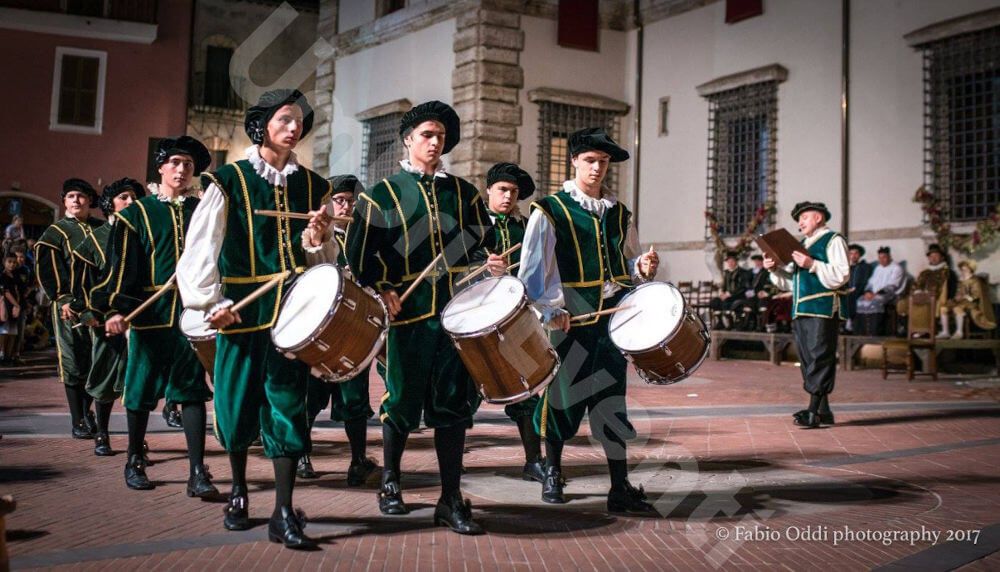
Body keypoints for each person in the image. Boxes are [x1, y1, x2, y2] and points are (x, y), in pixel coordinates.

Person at [177, 89, 337, 550]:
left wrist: (317, 239)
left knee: (287, 408)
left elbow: (323, 260)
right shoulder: (229, 180)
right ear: (262, 125)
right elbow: (200, 250)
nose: (294, 127)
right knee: (236, 408)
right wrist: (211, 305)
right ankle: (239, 491)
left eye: (299, 121)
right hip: (241, 316)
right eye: (284, 119)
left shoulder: (314, 186)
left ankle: (283, 511)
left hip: (292, 317)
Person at [347, 100, 505, 535]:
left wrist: (487, 263)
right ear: (408, 140)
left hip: (456, 315)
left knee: (453, 404)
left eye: (441, 136)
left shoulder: (465, 194)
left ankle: (450, 498)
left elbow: (480, 245)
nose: (435, 143)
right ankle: (390, 481)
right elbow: (360, 255)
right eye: (427, 135)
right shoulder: (381, 195)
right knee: (402, 400)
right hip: (409, 315)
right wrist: (384, 286)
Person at [518, 127, 659, 513]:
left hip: (611, 323)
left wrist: (641, 267)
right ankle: (552, 471)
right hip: (568, 322)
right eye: (591, 160)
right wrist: (549, 311)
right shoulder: (551, 210)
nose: (597, 168)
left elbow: (625, 264)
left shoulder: (619, 213)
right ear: (575, 161)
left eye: (604, 161)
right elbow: (531, 273)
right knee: (562, 400)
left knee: (611, 401)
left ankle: (619, 486)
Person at [101, 138, 216, 497]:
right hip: (150, 316)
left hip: (192, 316)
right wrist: (115, 309)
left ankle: (197, 472)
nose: (181, 170)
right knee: (139, 391)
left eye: (188, 165)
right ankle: (134, 459)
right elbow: (122, 268)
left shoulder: (203, 210)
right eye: (175, 163)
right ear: (161, 167)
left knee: (192, 391)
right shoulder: (136, 214)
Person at [299, 174, 378, 485]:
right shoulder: (317, 234)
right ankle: (302, 454)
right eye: (340, 200)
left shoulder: (364, 236)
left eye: (352, 201)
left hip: (354, 327)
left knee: (354, 398)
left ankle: (358, 460)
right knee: (311, 395)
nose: (346, 206)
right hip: (321, 325)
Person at [476, 161, 545, 482]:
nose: (508, 196)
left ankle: (533, 460)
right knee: (463, 392)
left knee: (526, 388)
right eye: (502, 189)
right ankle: (453, 464)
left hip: (515, 319)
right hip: (477, 317)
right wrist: (482, 267)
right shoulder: (472, 225)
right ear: (489, 189)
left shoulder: (526, 228)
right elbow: (455, 266)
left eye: (514, 192)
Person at [763, 202, 849, 429]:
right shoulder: (800, 246)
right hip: (801, 307)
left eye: (804, 218)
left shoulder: (833, 240)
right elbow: (793, 282)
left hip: (823, 307)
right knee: (808, 359)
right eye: (799, 220)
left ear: (818, 218)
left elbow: (841, 275)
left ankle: (812, 411)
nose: (800, 223)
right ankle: (824, 411)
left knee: (820, 357)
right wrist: (773, 269)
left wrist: (812, 264)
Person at [73, 178, 142, 456]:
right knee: (104, 376)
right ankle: (102, 433)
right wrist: (87, 312)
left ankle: (136, 441)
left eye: (134, 197)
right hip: (105, 319)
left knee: (135, 378)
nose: (130, 201)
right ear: (109, 203)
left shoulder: (141, 233)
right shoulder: (95, 240)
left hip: (137, 317)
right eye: (123, 197)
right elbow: (82, 284)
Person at [34, 179, 103, 438]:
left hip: (97, 307)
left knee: (96, 361)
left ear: (90, 200)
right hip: (69, 308)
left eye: (81, 196)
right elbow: (49, 270)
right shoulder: (55, 232)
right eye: (71, 196)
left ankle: (87, 412)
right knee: (73, 362)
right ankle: (78, 420)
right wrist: (63, 299)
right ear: (64, 201)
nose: (76, 200)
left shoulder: (101, 228)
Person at [896, 243, 953, 335]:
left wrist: (930, 293)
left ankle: (923, 330)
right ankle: (907, 328)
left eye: (936, 256)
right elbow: (916, 285)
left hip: (936, 297)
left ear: (942, 257)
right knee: (902, 303)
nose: (933, 258)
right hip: (920, 295)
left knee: (925, 302)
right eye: (931, 256)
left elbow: (948, 288)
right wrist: (916, 291)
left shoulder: (947, 272)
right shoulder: (925, 272)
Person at [854, 246, 906, 335]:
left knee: (876, 301)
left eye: (884, 257)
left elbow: (893, 286)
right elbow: (871, 283)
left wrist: (875, 294)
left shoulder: (897, 268)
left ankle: (875, 331)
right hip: (874, 294)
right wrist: (868, 292)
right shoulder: (878, 268)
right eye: (880, 258)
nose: (882, 260)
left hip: (890, 294)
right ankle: (863, 331)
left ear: (889, 257)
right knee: (860, 300)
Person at [941, 260, 996, 339]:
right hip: (959, 301)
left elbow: (976, 295)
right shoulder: (960, 281)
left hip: (970, 302)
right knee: (944, 308)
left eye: (965, 269)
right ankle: (945, 332)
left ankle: (959, 332)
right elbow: (958, 292)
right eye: (962, 269)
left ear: (970, 270)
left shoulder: (975, 281)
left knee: (957, 308)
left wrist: (965, 296)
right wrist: (956, 297)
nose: (963, 271)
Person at [731, 254, 775, 331]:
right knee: (743, 303)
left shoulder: (766, 272)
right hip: (752, 295)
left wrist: (763, 292)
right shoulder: (751, 272)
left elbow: (768, 285)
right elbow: (746, 283)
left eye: (759, 261)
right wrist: (748, 291)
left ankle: (761, 325)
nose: (757, 263)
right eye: (755, 262)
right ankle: (747, 324)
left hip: (762, 295)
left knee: (760, 303)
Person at [708, 252, 750, 330]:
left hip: (738, 296)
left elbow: (743, 287)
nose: (730, 263)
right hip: (726, 296)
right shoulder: (726, 272)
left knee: (726, 302)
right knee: (715, 302)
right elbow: (724, 286)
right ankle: (720, 323)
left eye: (732, 261)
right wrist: (721, 292)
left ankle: (731, 324)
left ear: (736, 261)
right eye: (728, 262)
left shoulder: (742, 272)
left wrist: (729, 294)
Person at [843, 244, 872, 334]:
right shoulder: (845, 267)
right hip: (847, 290)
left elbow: (865, 281)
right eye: (851, 253)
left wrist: (854, 289)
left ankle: (849, 323)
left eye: (856, 253)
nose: (853, 256)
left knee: (850, 296)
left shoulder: (865, 267)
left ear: (859, 255)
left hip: (861, 290)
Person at [0, 252, 22, 364]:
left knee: (13, 332)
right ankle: (2, 353)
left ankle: (8, 355)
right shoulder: (2, 276)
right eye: (9, 262)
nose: (12, 264)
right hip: (6, 306)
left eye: (14, 262)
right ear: (4, 262)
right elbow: (6, 292)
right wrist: (16, 305)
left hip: (16, 306)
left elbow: (20, 290)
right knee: (4, 331)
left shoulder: (16, 275)